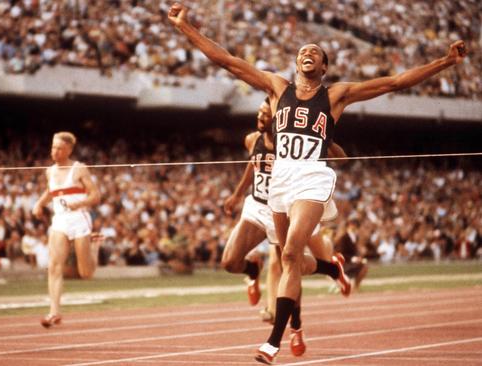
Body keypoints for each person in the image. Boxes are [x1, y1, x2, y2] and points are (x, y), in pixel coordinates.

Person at [167, 3, 467, 363]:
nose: (308, 53)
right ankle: (330, 269)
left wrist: (445, 62)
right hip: (280, 179)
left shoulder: (336, 95)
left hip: (312, 176)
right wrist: (185, 27)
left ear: (324, 68)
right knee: (288, 257)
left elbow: (394, 82)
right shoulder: (277, 87)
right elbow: (228, 61)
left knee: (291, 252)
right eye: (302, 52)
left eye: (316, 53)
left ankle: (274, 340)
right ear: (296, 65)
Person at [221, 99, 349, 357]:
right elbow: (252, 164)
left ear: (278, 119)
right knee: (229, 262)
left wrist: (326, 139)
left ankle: (296, 326)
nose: (260, 116)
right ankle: (253, 268)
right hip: (257, 206)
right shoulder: (251, 139)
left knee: (292, 265)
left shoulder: (290, 143)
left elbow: (340, 158)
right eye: (259, 111)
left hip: (286, 205)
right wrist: (237, 194)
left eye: (265, 113)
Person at [32, 131, 101, 328]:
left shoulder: (79, 169)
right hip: (60, 220)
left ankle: (95, 247)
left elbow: (95, 195)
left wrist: (78, 204)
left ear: (69, 150)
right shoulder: (50, 171)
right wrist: (39, 204)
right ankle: (54, 311)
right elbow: (51, 192)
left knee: (85, 273)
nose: (55, 152)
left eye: (59, 148)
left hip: (79, 219)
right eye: (53, 147)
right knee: (54, 266)